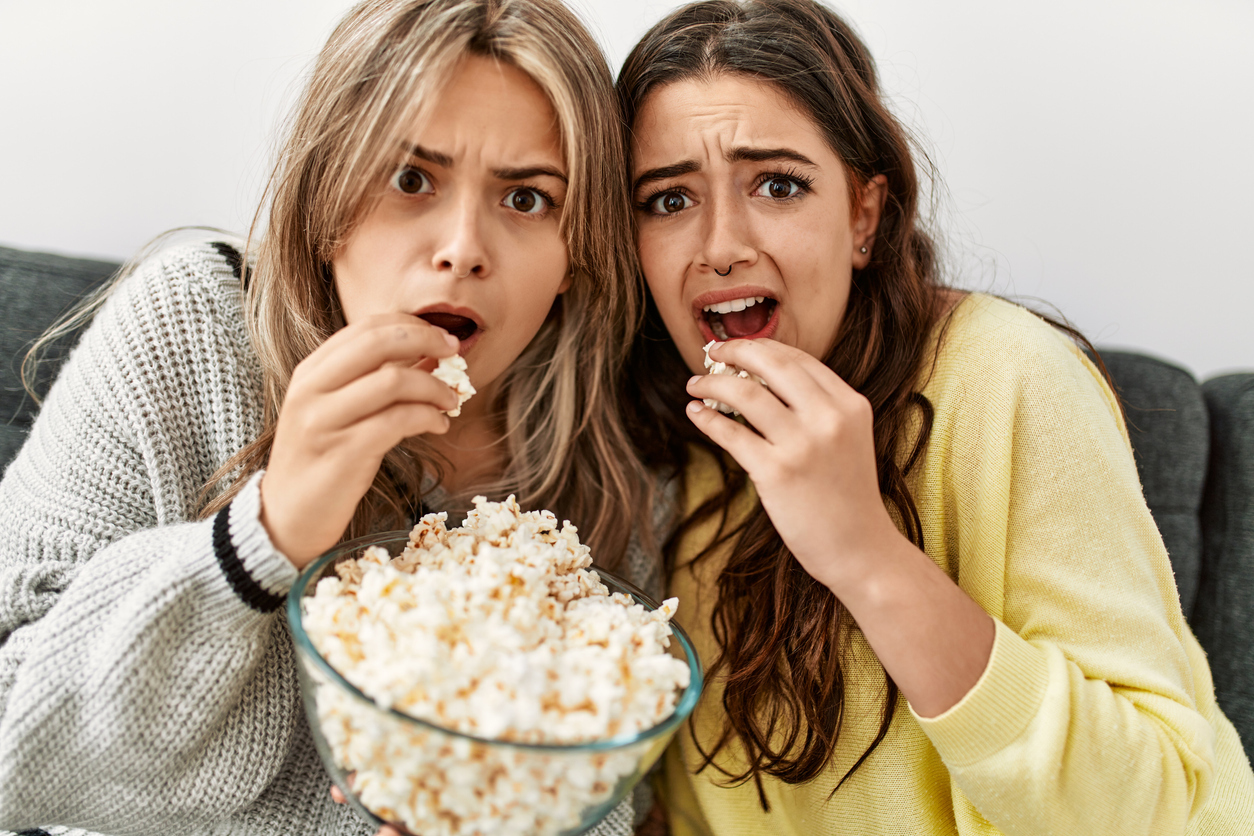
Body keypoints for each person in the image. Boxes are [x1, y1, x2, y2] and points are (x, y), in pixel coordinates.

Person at [0, 1, 655, 834]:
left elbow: (605, 795)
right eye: (411, 178)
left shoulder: (610, 465)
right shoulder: (190, 331)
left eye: (526, 198)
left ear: (574, 252)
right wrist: (260, 536)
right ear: (325, 206)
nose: (463, 247)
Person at [615, 1, 1254, 834]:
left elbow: (1149, 806)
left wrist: (864, 549)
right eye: (668, 200)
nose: (721, 243)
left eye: (777, 184)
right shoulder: (670, 433)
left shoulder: (1010, 377)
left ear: (864, 217)